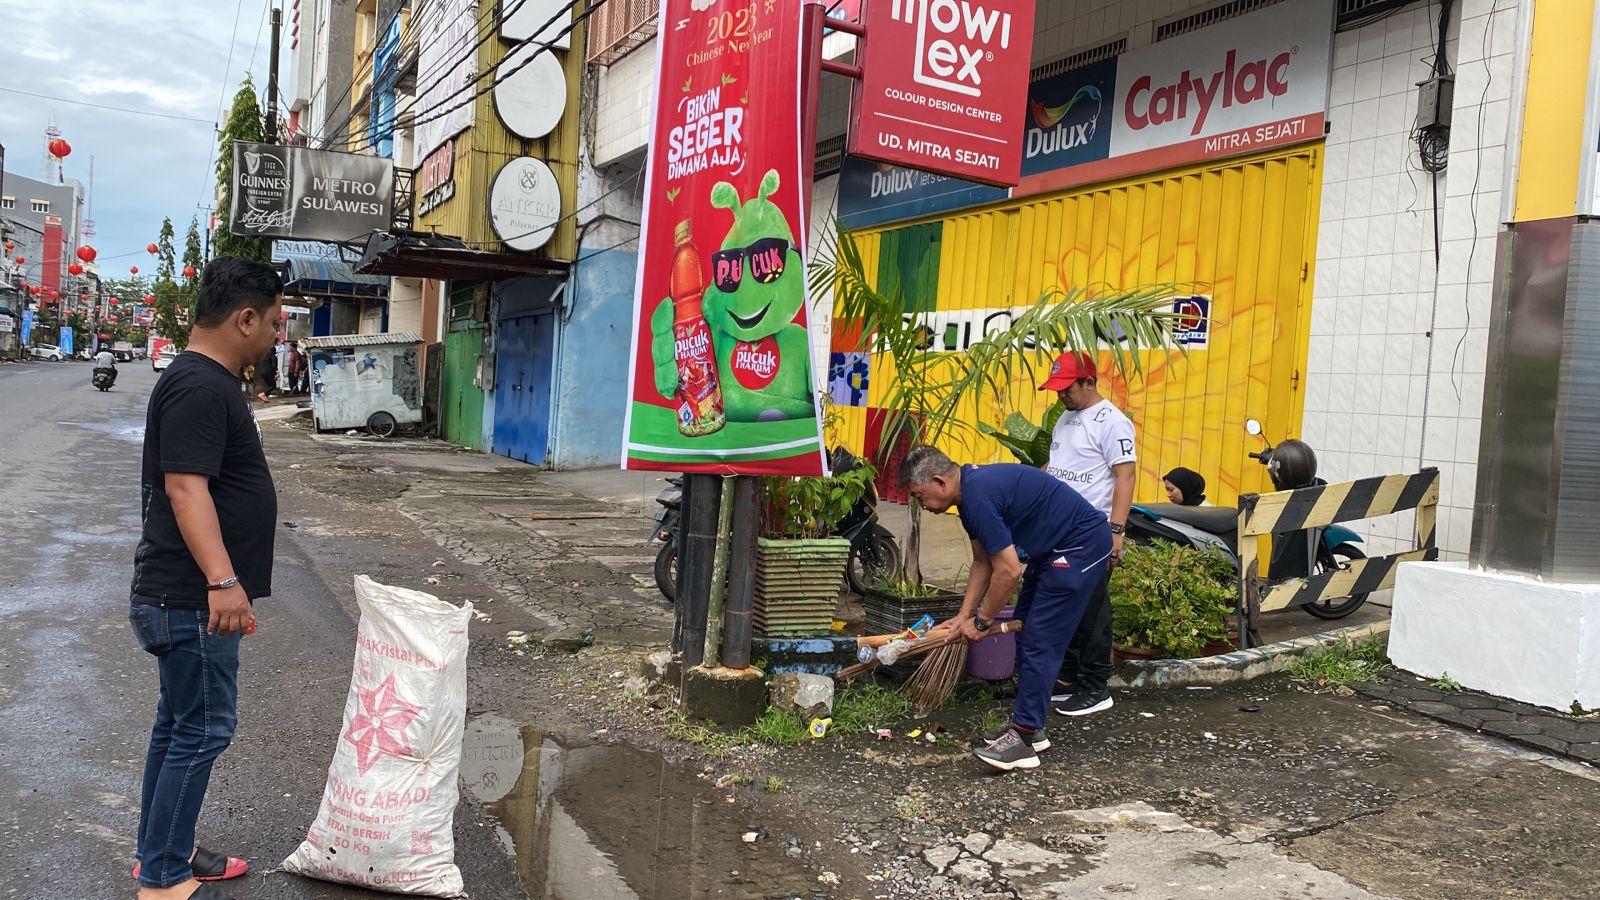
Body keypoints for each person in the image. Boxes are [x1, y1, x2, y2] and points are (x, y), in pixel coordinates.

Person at [129, 258, 283, 900]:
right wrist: (224, 583)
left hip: (186, 596)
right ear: (244, 319)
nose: (278, 334)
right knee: (201, 730)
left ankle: (166, 850)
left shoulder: (204, 381)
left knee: (179, 726)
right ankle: (163, 878)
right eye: (273, 322)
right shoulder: (199, 386)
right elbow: (186, 489)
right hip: (193, 598)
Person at [901, 446, 1111, 772]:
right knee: (1026, 631)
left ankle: (1022, 741)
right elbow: (983, 562)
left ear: (939, 481)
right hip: (1052, 549)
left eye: (919, 495)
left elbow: (1009, 571)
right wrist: (964, 615)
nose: (921, 505)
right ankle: (1032, 727)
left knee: (1041, 639)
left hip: (1080, 545)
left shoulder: (978, 498)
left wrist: (982, 623)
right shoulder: (969, 497)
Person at [1038, 352, 1135, 717]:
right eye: (1057, 389)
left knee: (1093, 609)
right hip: (1059, 528)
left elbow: (1125, 476)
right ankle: (1072, 681)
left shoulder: (1112, 422)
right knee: (1069, 607)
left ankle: (1096, 687)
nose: (1061, 395)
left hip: (1092, 528)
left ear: (1089, 383)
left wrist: (1116, 530)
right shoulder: (1065, 418)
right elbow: (1057, 466)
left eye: (1067, 388)